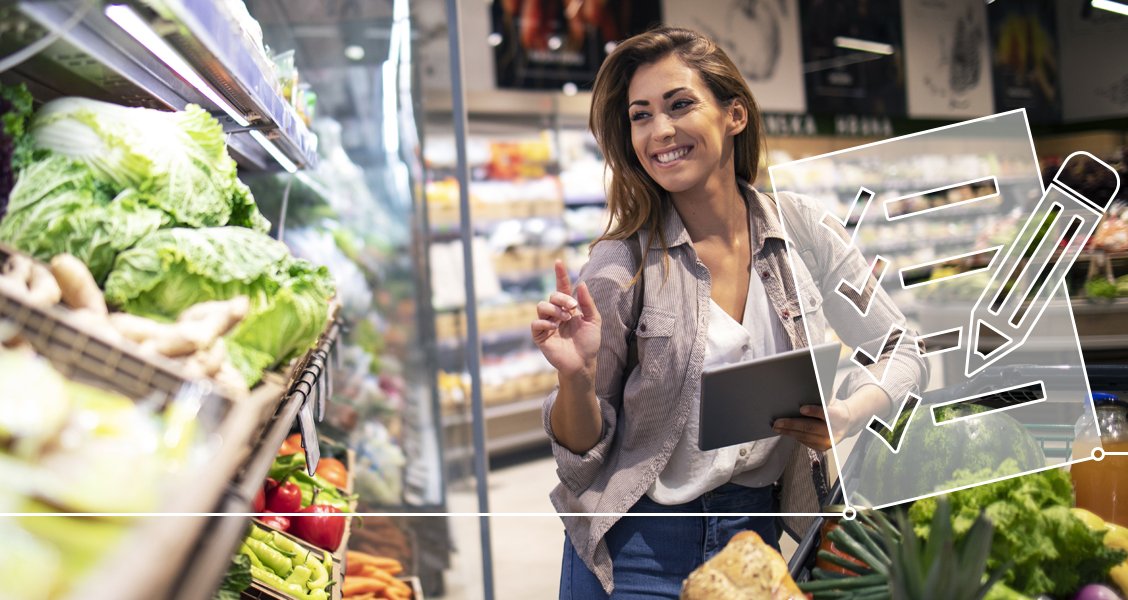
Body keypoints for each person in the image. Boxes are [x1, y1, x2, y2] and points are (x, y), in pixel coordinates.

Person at [529, 26, 928, 599]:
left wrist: (849, 413)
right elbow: (579, 455)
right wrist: (575, 377)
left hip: (756, 537)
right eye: (640, 116)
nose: (659, 131)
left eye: (680, 104)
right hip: (640, 548)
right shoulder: (623, 266)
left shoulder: (804, 232)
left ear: (734, 115)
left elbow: (901, 347)